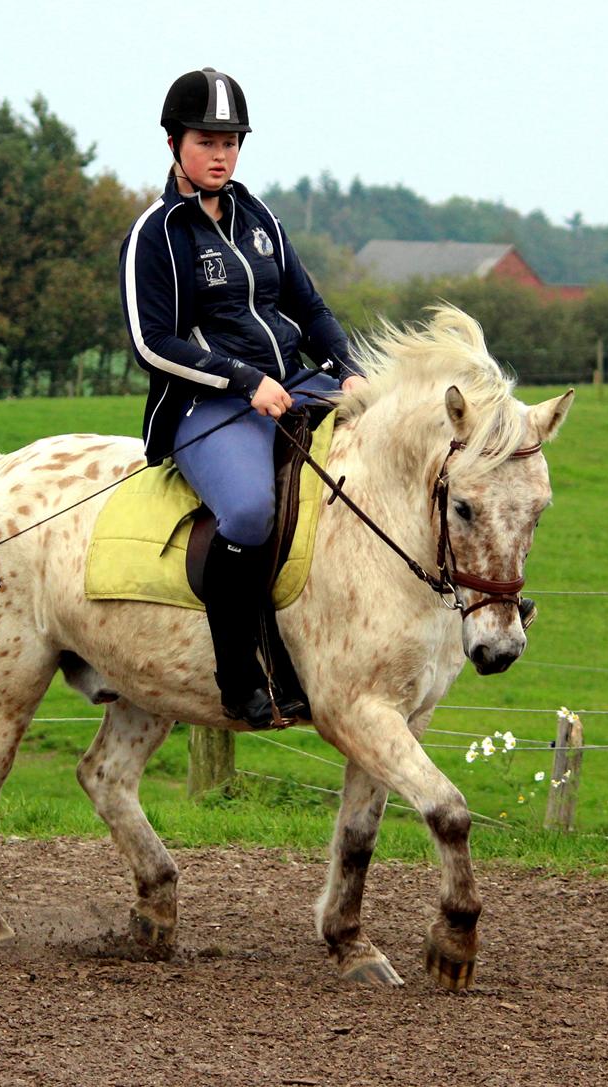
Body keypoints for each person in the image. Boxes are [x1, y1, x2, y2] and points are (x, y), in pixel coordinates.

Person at [119, 66, 366, 729]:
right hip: (208, 408)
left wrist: (347, 367)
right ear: (175, 143)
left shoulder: (260, 219)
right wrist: (243, 381)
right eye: (206, 139)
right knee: (252, 511)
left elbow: (307, 307)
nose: (221, 153)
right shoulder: (157, 234)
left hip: (292, 383)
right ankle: (239, 675)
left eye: (231, 140)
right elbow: (153, 342)